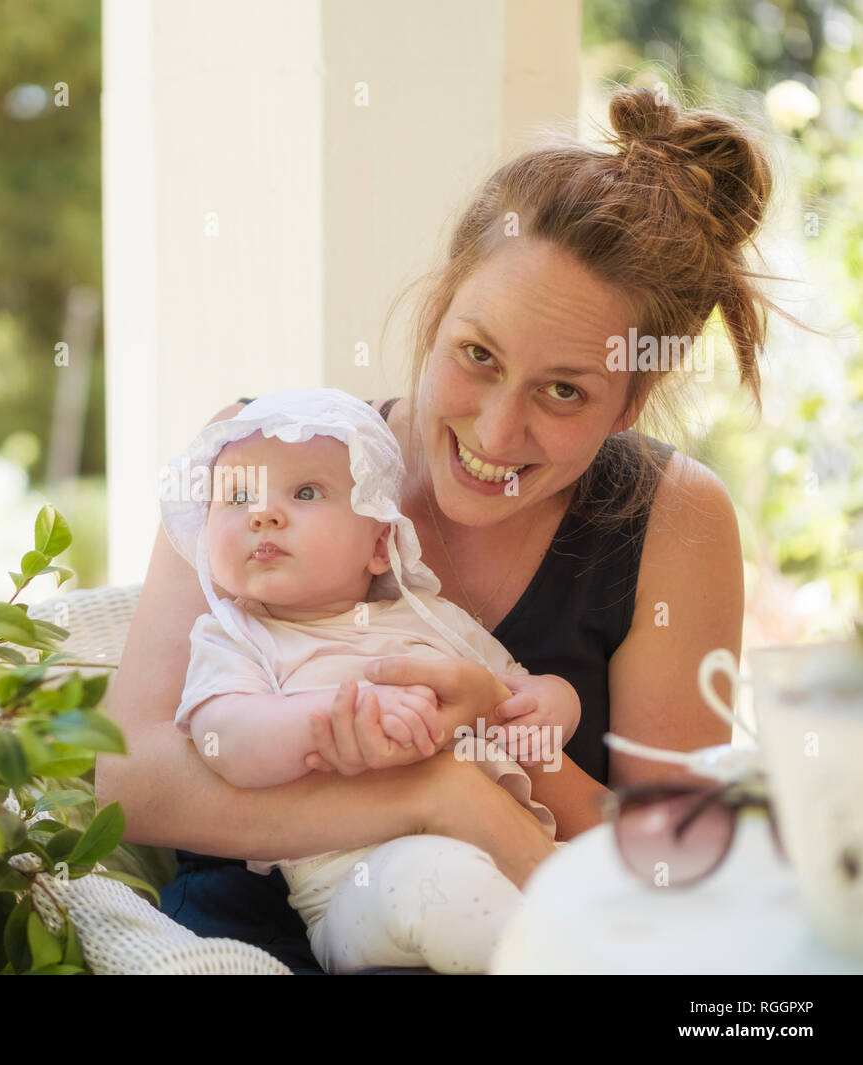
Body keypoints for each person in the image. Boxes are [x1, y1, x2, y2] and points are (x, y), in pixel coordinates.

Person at [95, 85, 775, 973]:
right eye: (477, 355)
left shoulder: (672, 519)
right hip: (243, 939)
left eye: (564, 390)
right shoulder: (258, 451)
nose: (496, 433)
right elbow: (125, 779)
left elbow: (669, 864)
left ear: (630, 401)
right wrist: (437, 795)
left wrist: (495, 741)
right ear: (437, 307)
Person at [160, 386, 576, 972]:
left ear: (380, 543)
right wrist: (333, 716)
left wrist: (558, 700)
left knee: (615, 886)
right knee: (443, 888)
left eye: (306, 492)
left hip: (516, 842)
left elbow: (514, 694)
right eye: (238, 497)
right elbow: (224, 739)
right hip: (360, 888)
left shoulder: (429, 617)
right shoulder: (236, 635)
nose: (263, 513)